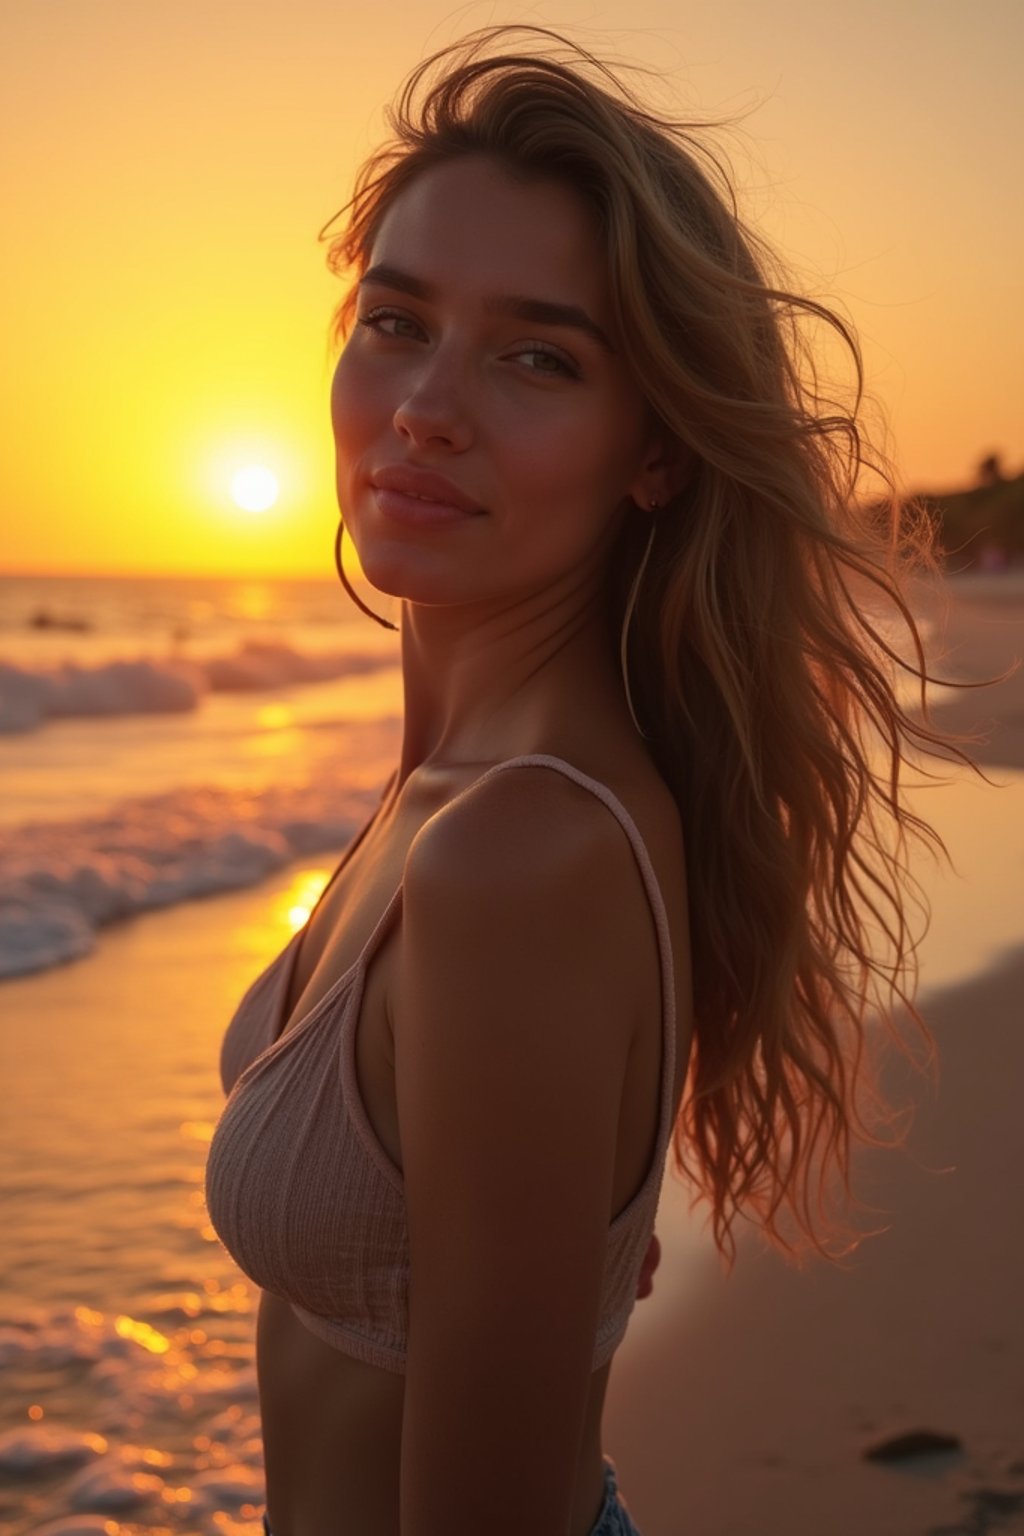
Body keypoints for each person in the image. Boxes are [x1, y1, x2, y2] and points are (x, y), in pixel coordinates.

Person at [204, 26, 977, 1536]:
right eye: (396, 319)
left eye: (537, 356)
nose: (427, 403)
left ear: (656, 453)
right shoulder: (451, 783)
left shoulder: (521, 852)